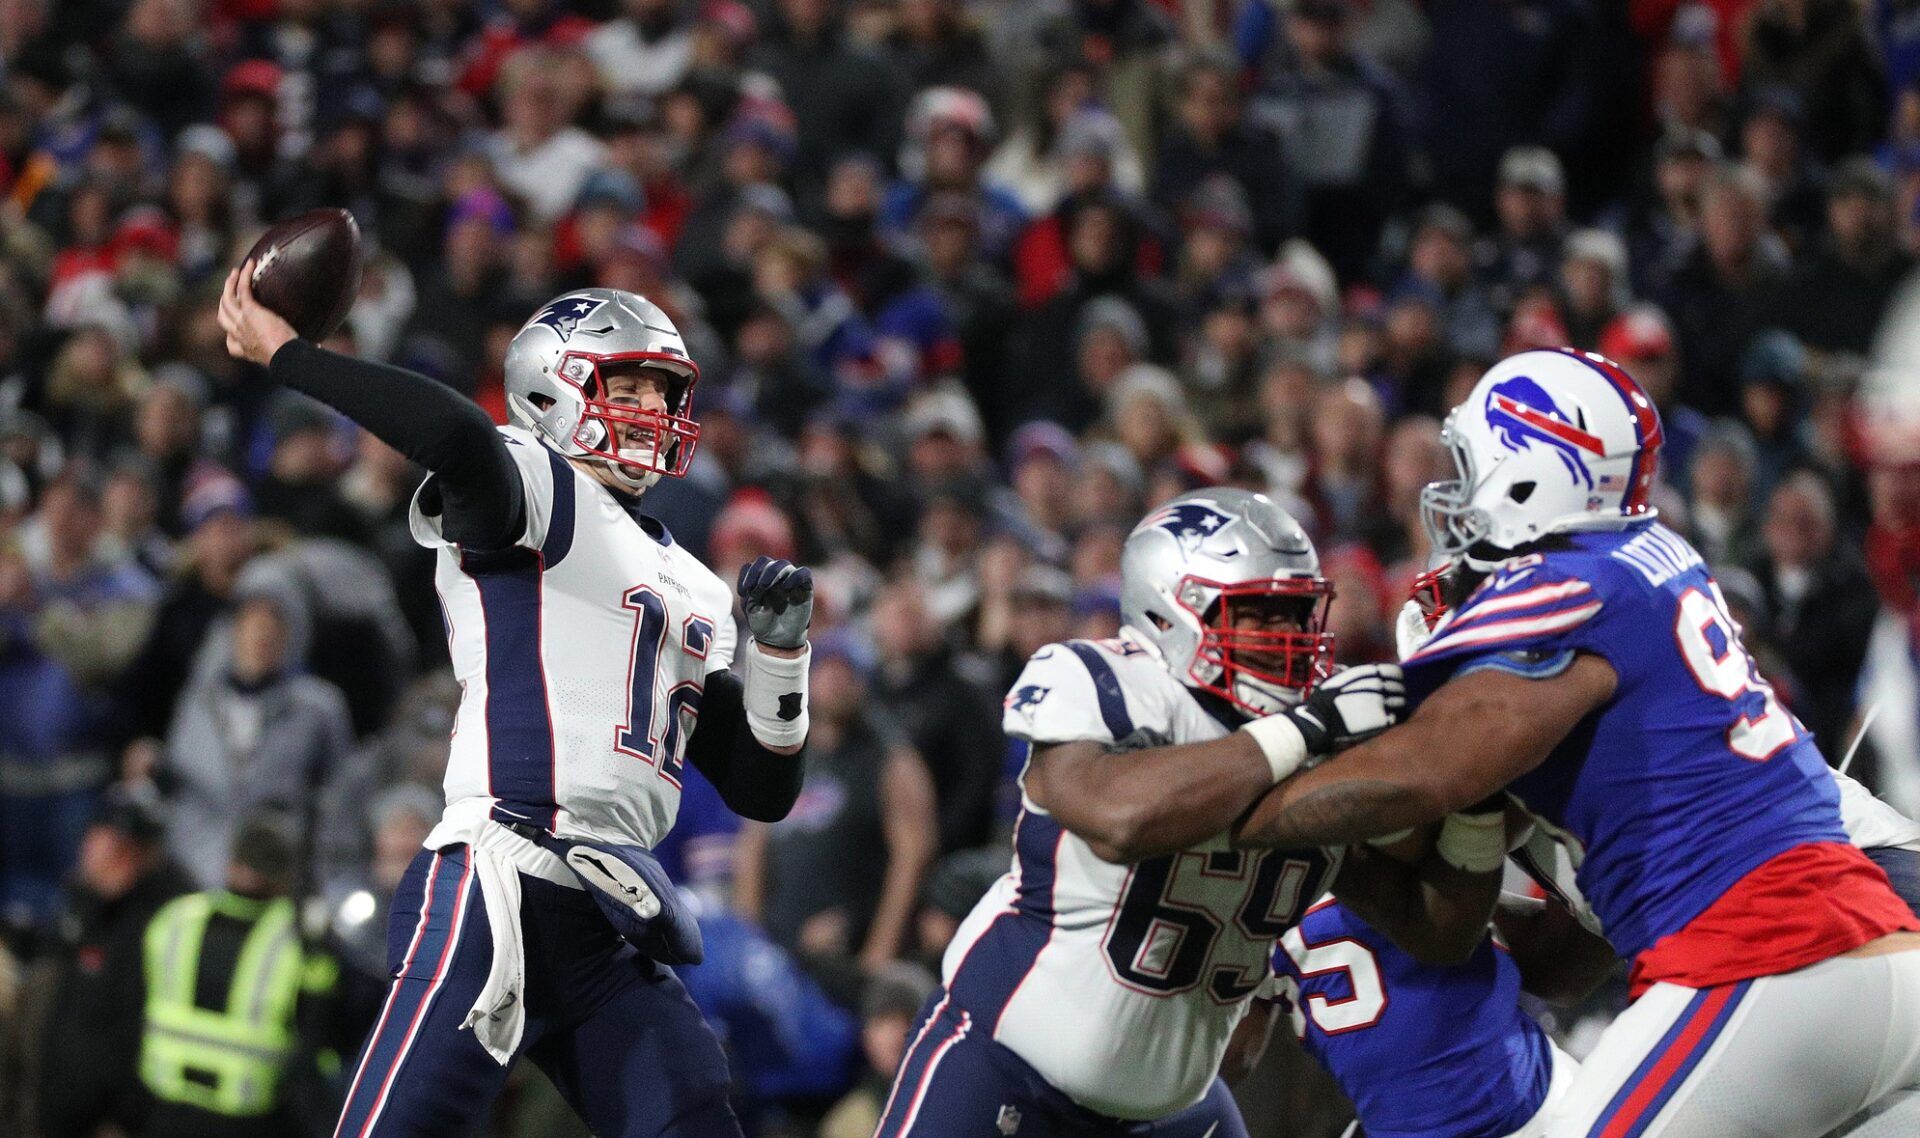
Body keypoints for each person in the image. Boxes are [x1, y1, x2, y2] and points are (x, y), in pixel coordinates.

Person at [1233, 348, 1920, 1136]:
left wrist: (1245, 801)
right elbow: (1574, 951)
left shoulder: (1564, 600)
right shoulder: (1641, 574)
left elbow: (1427, 772)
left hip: (1789, 939)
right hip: (1877, 947)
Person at [216, 273, 817, 1136]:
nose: (654, 406)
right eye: (631, 384)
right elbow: (457, 435)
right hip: (499, 877)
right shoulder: (537, 486)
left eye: (666, 390)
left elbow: (764, 788)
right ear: (552, 385)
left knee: (693, 1116)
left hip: (609, 920)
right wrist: (291, 356)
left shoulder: (695, 584)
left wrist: (783, 661)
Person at [872, 488, 1486, 1137]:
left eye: (1301, 616)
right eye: (1263, 616)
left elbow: (1436, 931)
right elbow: (1119, 818)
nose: (1294, 640)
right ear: (1171, 614)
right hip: (1006, 1074)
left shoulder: (1323, 735)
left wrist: (1477, 809)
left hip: (1173, 1113)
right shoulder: (1104, 678)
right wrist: (1301, 733)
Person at [136, 813, 344, 1138]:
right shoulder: (299, 935)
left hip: (164, 1100)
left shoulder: (175, 918)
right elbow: (318, 1026)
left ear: (231, 862)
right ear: (285, 875)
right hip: (249, 1111)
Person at [34, 783, 193, 1138]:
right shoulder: (84, 903)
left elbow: (147, 1030)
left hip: (123, 1118)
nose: (103, 854)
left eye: (124, 847)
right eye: (101, 839)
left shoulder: (169, 922)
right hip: (62, 1102)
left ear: (147, 854)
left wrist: (127, 1117)